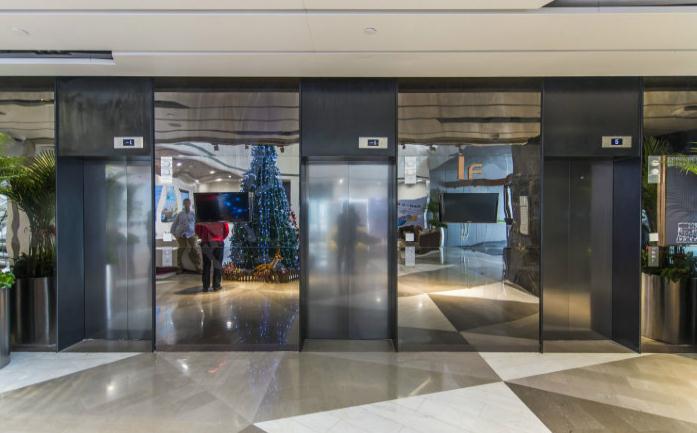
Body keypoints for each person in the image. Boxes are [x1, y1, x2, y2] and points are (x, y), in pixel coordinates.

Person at [195, 221, 229, 292]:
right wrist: (220, 238)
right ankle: (216, 285)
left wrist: (203, 237)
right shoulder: (220, 216)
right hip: (218, 242)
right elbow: (226, 230)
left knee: (206, 264)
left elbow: (197, 229)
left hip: (206, 242)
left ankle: (205, 286)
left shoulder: (203, 217)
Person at [169, 198, 202, 273]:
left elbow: (197, 223)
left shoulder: (193, 213)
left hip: (191, 234)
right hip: (181, 234)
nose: (187, 204)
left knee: (194, 249)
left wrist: (198, 233)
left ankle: (197, 267)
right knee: (181, 249)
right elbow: (175, 223)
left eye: (188, 203)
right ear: (183, 204)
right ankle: (179, 267)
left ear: (190, 204)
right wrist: (173, 233)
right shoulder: (180, 214)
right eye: (185, 203)